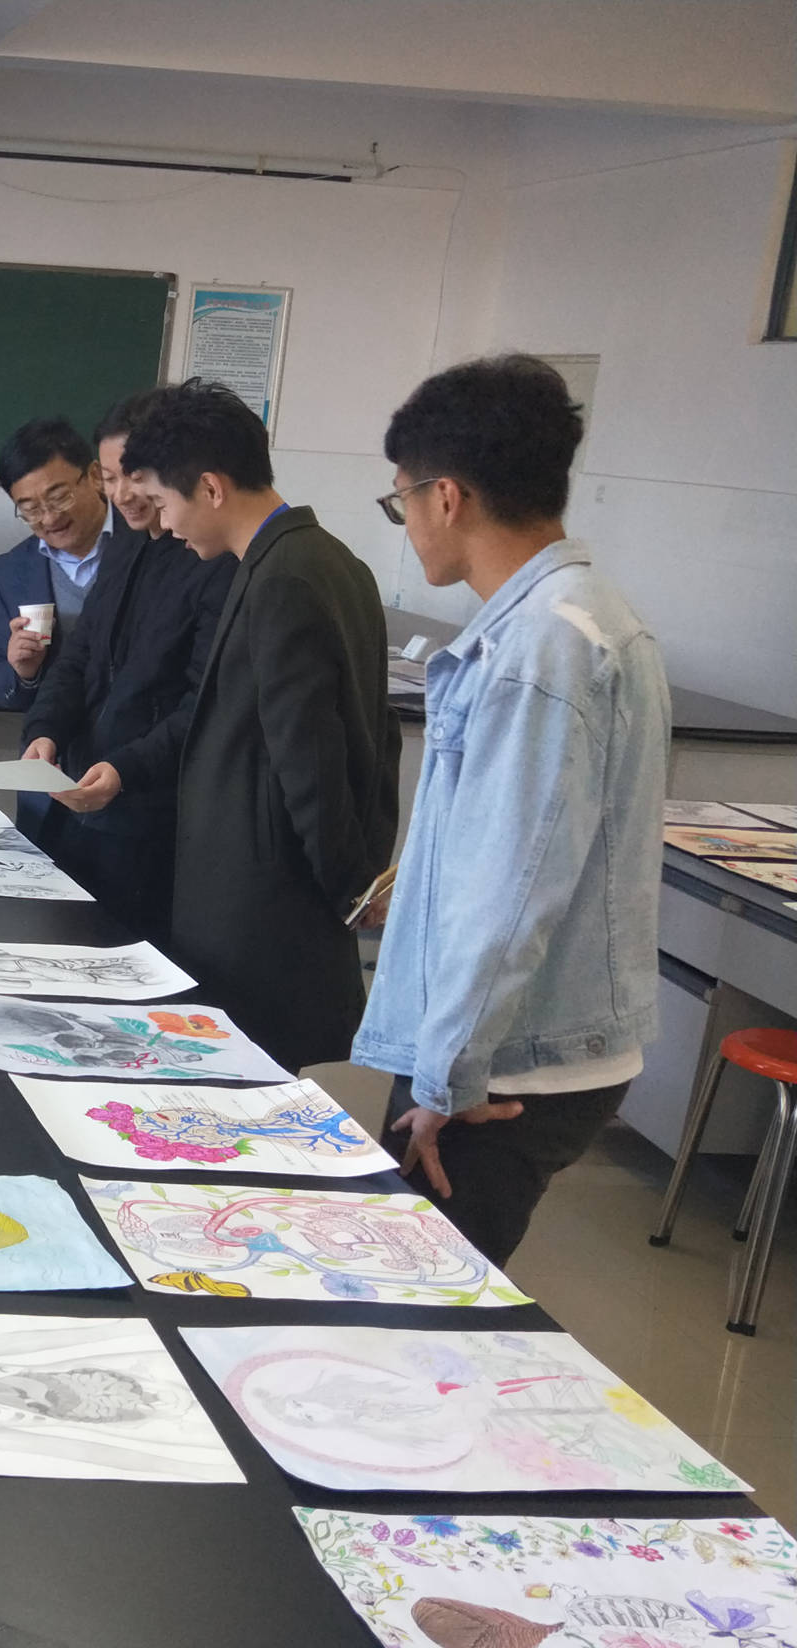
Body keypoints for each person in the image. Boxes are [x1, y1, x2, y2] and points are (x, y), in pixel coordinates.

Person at [354, 356, 668, 1266]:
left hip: (502, 1066)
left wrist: (446, 1079)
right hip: (514, 1047)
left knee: (418, 1298)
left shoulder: (540, 651)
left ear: (445, 497)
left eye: (402, 502)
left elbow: (511, 892)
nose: (409, 524)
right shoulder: (584, 616)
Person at [122, 379, 399, 1074]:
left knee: (256, 1090)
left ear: (211, 488)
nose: (164, 525)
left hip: (266, 910)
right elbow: (378, 736)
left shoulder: (284, 580)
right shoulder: (325, 560)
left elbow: (311, 761)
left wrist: (351, 888)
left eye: (163, 503)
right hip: (268, 897)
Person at [9, 394, 236, 935]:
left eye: (134, 476)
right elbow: (81, 654)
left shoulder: (212, 558)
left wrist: (126, 769)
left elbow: (204, 701)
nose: (121, 495)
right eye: (109, 478)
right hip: (78, 795)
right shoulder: (127, 543)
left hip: (149, 815)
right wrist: (45, 729)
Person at [0, 418, 113, 714]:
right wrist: (23, 672)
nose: (50, 518)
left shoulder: (147, 540)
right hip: (56, 733)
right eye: (31, 509)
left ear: (95, 476)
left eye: (59, 497)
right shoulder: (9, 573)